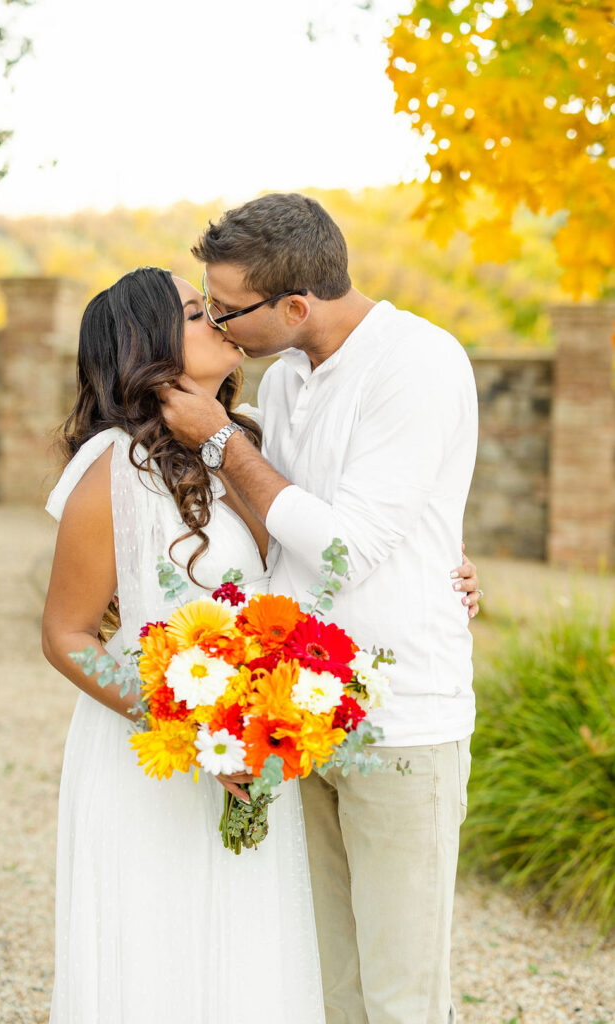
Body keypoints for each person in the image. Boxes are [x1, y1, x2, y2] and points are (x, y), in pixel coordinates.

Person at [160, 191, 481, 1024]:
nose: (219, 327)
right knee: (328, 984)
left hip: (402, 717)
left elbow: (343, 549)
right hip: (305, 711)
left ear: (295, 304)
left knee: (402, 992)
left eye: (228, 312)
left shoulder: (418, 362)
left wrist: (221, 443)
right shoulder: (292, 374)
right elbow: (293, 527)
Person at [41, 267, 327, 1024]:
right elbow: (66, 634)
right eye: (199, 312)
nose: (221, 321)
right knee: (158, 952)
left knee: (244, 950)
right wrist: (194, 731)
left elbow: (318, 556)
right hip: (153, 757)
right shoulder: (111, 468)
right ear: (149, 346)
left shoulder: (246, 443)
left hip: (252, 744)